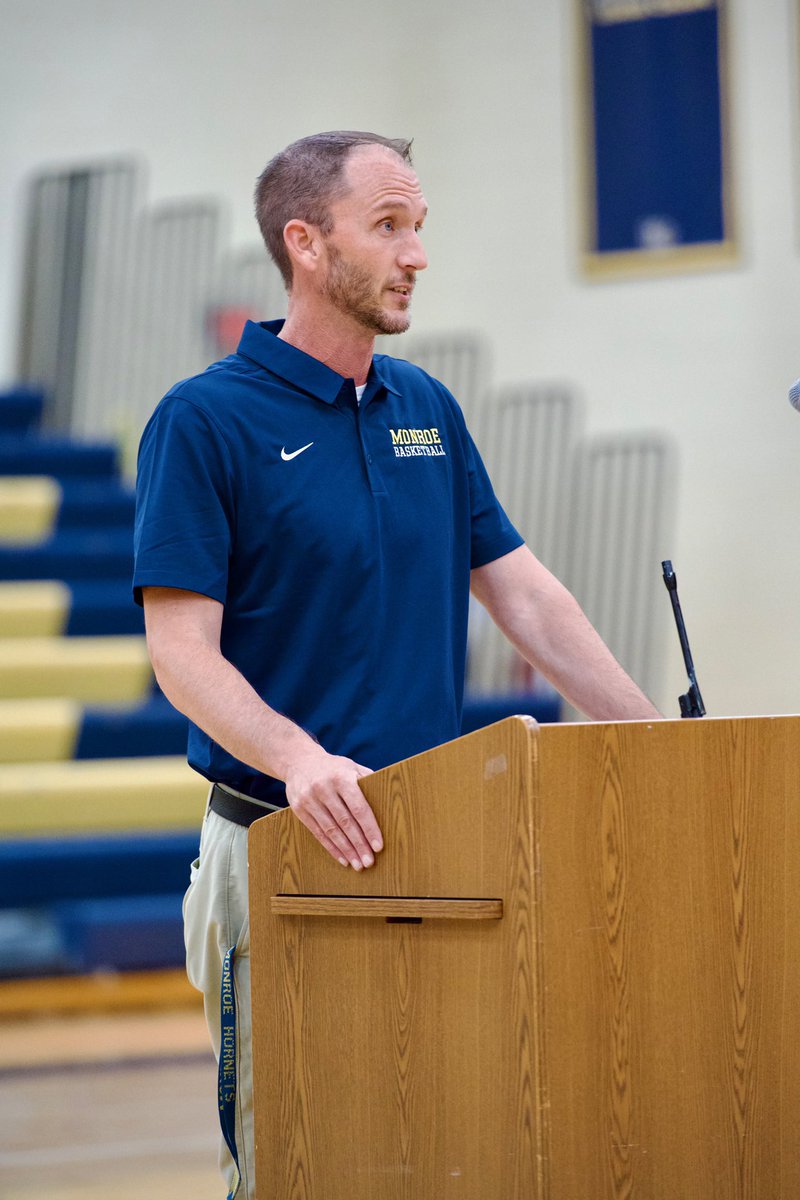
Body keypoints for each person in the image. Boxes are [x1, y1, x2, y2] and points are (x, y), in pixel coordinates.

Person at [133, 130, 660, 1199]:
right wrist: (299, 759)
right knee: (294, 1165)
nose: (415, 253)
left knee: (447, 1157)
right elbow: (180, 655)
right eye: (387, 226)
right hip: (278, 849)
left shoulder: (424, 405)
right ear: (306, 245)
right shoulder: (203, 421)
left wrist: (654, 744)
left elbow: (521, 593)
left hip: (440, 851)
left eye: (418, 227)